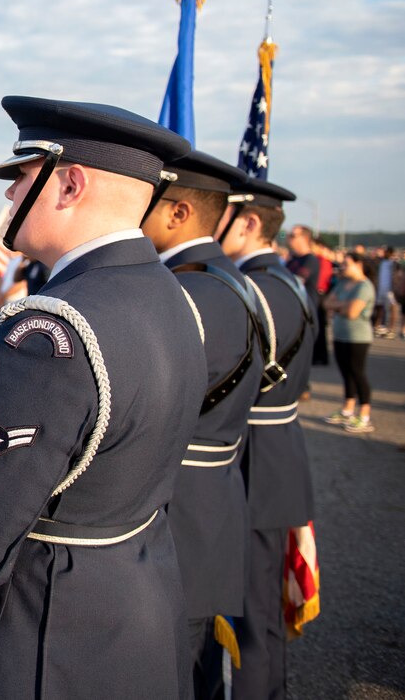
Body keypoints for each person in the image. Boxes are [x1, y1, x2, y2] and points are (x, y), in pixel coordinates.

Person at [0, 97, 205, 698]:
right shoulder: (175, 295)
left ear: (69, 184)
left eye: (21, 176)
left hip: (49, 626)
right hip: (139, 600)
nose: (9, 194)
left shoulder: (49, 330)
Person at [140, 149, 265, 698]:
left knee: (173, 670)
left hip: (175, 504)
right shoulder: (235, 282)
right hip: (215, 491)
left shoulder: (182, 292)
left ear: (179, 212)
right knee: (197, 669)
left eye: (147, 201)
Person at [219, 177, 318, 700]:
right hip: (283, 448)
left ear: (250, 222)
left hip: (253, 456)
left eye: (224, 214)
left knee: (250, 615)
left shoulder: (247, 291)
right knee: (265, 617)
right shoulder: (291, 282)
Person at [323, 252, 375, 432]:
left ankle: (365, 415)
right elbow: (326, 303)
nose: (342, 267)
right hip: (340, 335)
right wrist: (343, 306)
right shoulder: (343, 283)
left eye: (346, 264)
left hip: (358, 338)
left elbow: (353, 312)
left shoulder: (364, 286)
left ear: (358, 265)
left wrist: (339, 306)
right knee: (346, 373)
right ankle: (348, 409)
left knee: (357, 373)